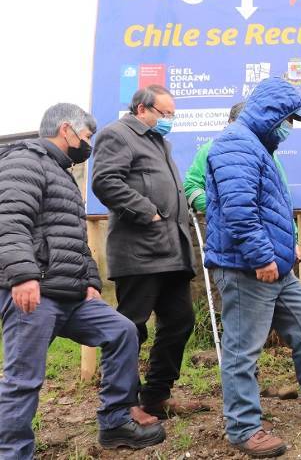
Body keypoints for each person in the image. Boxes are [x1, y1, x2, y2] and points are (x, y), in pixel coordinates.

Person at [0, 104, 165, 457]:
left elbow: (73, 238)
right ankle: (12, 453)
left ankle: (115, 422)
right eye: (87, 137)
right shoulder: (23, 162)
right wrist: (23, 275)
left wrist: (89, 280)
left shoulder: (61, 173)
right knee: (24, 380)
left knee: (122, 331)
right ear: (66, 130)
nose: (87, 144)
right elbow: (10, 222)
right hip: (35, 292)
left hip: (70, 295)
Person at [204, 77, 301, 457]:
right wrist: (262, 257)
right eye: (289, 119)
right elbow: (239, 212)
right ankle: (243, 428)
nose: (290, 128)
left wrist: (281, 253)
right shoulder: (236, 144)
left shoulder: (256, 145)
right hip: (247, 268)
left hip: (274, 268)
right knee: (243, 350)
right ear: (272, 114)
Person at [92, 85, 206, 418]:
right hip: (139, 252)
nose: (169, 120)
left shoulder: (159, 143)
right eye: (165, 114)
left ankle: (156, 396)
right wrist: (147, 211)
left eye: (172, 115)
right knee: (131, 329)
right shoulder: (118, 135)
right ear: (142, 109)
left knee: (181, 321)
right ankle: (123, 405)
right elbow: (105, 181)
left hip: (171, 252)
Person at [184, 102, 289, 213]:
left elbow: (281, 191)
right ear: (230, 122)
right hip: (239, 226)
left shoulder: (265, 148)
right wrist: (220, 210)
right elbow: (191, 186)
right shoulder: (212, 148)